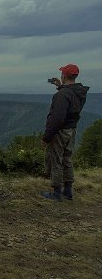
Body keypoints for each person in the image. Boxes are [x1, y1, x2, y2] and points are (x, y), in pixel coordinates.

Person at [41, 64, 90, 201]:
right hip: (71, 130)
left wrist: (46, 138)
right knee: (67, 159)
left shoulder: (62, 95)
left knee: (56, 160)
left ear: (64, 75)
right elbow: (71, 100)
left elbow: (56, 119)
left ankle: (56, 193)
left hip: (60, 132)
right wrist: (61, 86)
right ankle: (68, 191)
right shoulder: (79, 91)